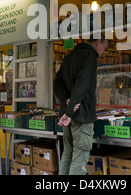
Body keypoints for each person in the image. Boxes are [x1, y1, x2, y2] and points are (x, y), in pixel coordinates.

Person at [53, 34, 108, 175]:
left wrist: (66, 101)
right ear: (97, 42)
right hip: (81, 115)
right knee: (80, 155)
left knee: (68, 154)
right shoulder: (90, 56)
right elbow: (82, 85)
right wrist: (70, 111)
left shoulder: (69, 56)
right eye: (105, 47)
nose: (104, 51)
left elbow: (56, 83)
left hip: (68, 114)